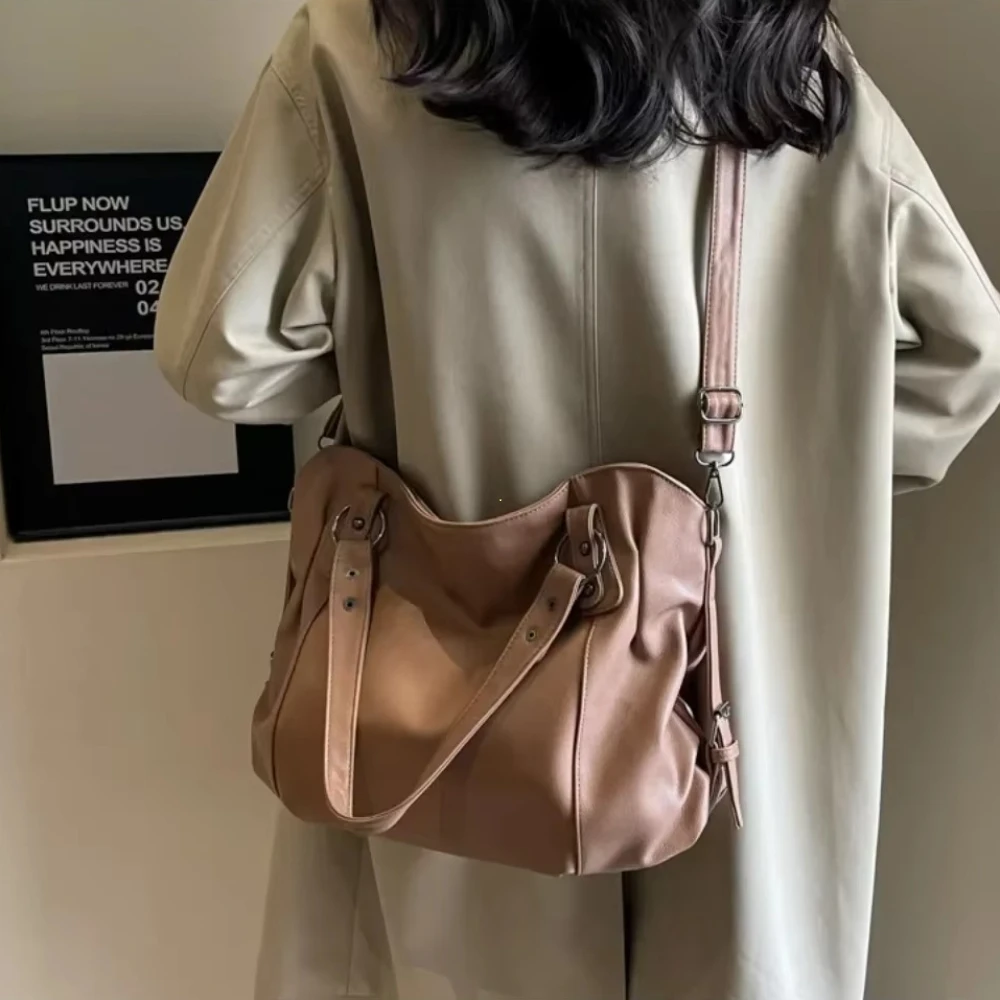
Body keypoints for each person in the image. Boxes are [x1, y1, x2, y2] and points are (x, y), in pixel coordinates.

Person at [153, 1, 1000, 998]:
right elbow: (964, 356)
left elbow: (217, 354)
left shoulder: (362, 46)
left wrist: (392, 360)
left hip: (448, 724)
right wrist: (794, 470)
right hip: (725, 704)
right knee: (736, 951)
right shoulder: (790, 67)